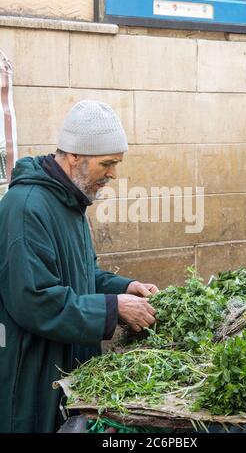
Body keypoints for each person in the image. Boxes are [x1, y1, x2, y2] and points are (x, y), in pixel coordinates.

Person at [0, 100, 158, 433]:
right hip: (35, 371)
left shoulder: (70, 201)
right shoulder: (27, 207)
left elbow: (81, 275)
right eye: (108, 163)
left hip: (69, 363)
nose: (114, 174)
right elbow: (35, 299)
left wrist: (123, 288)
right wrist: (113, 309)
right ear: (75, 157)